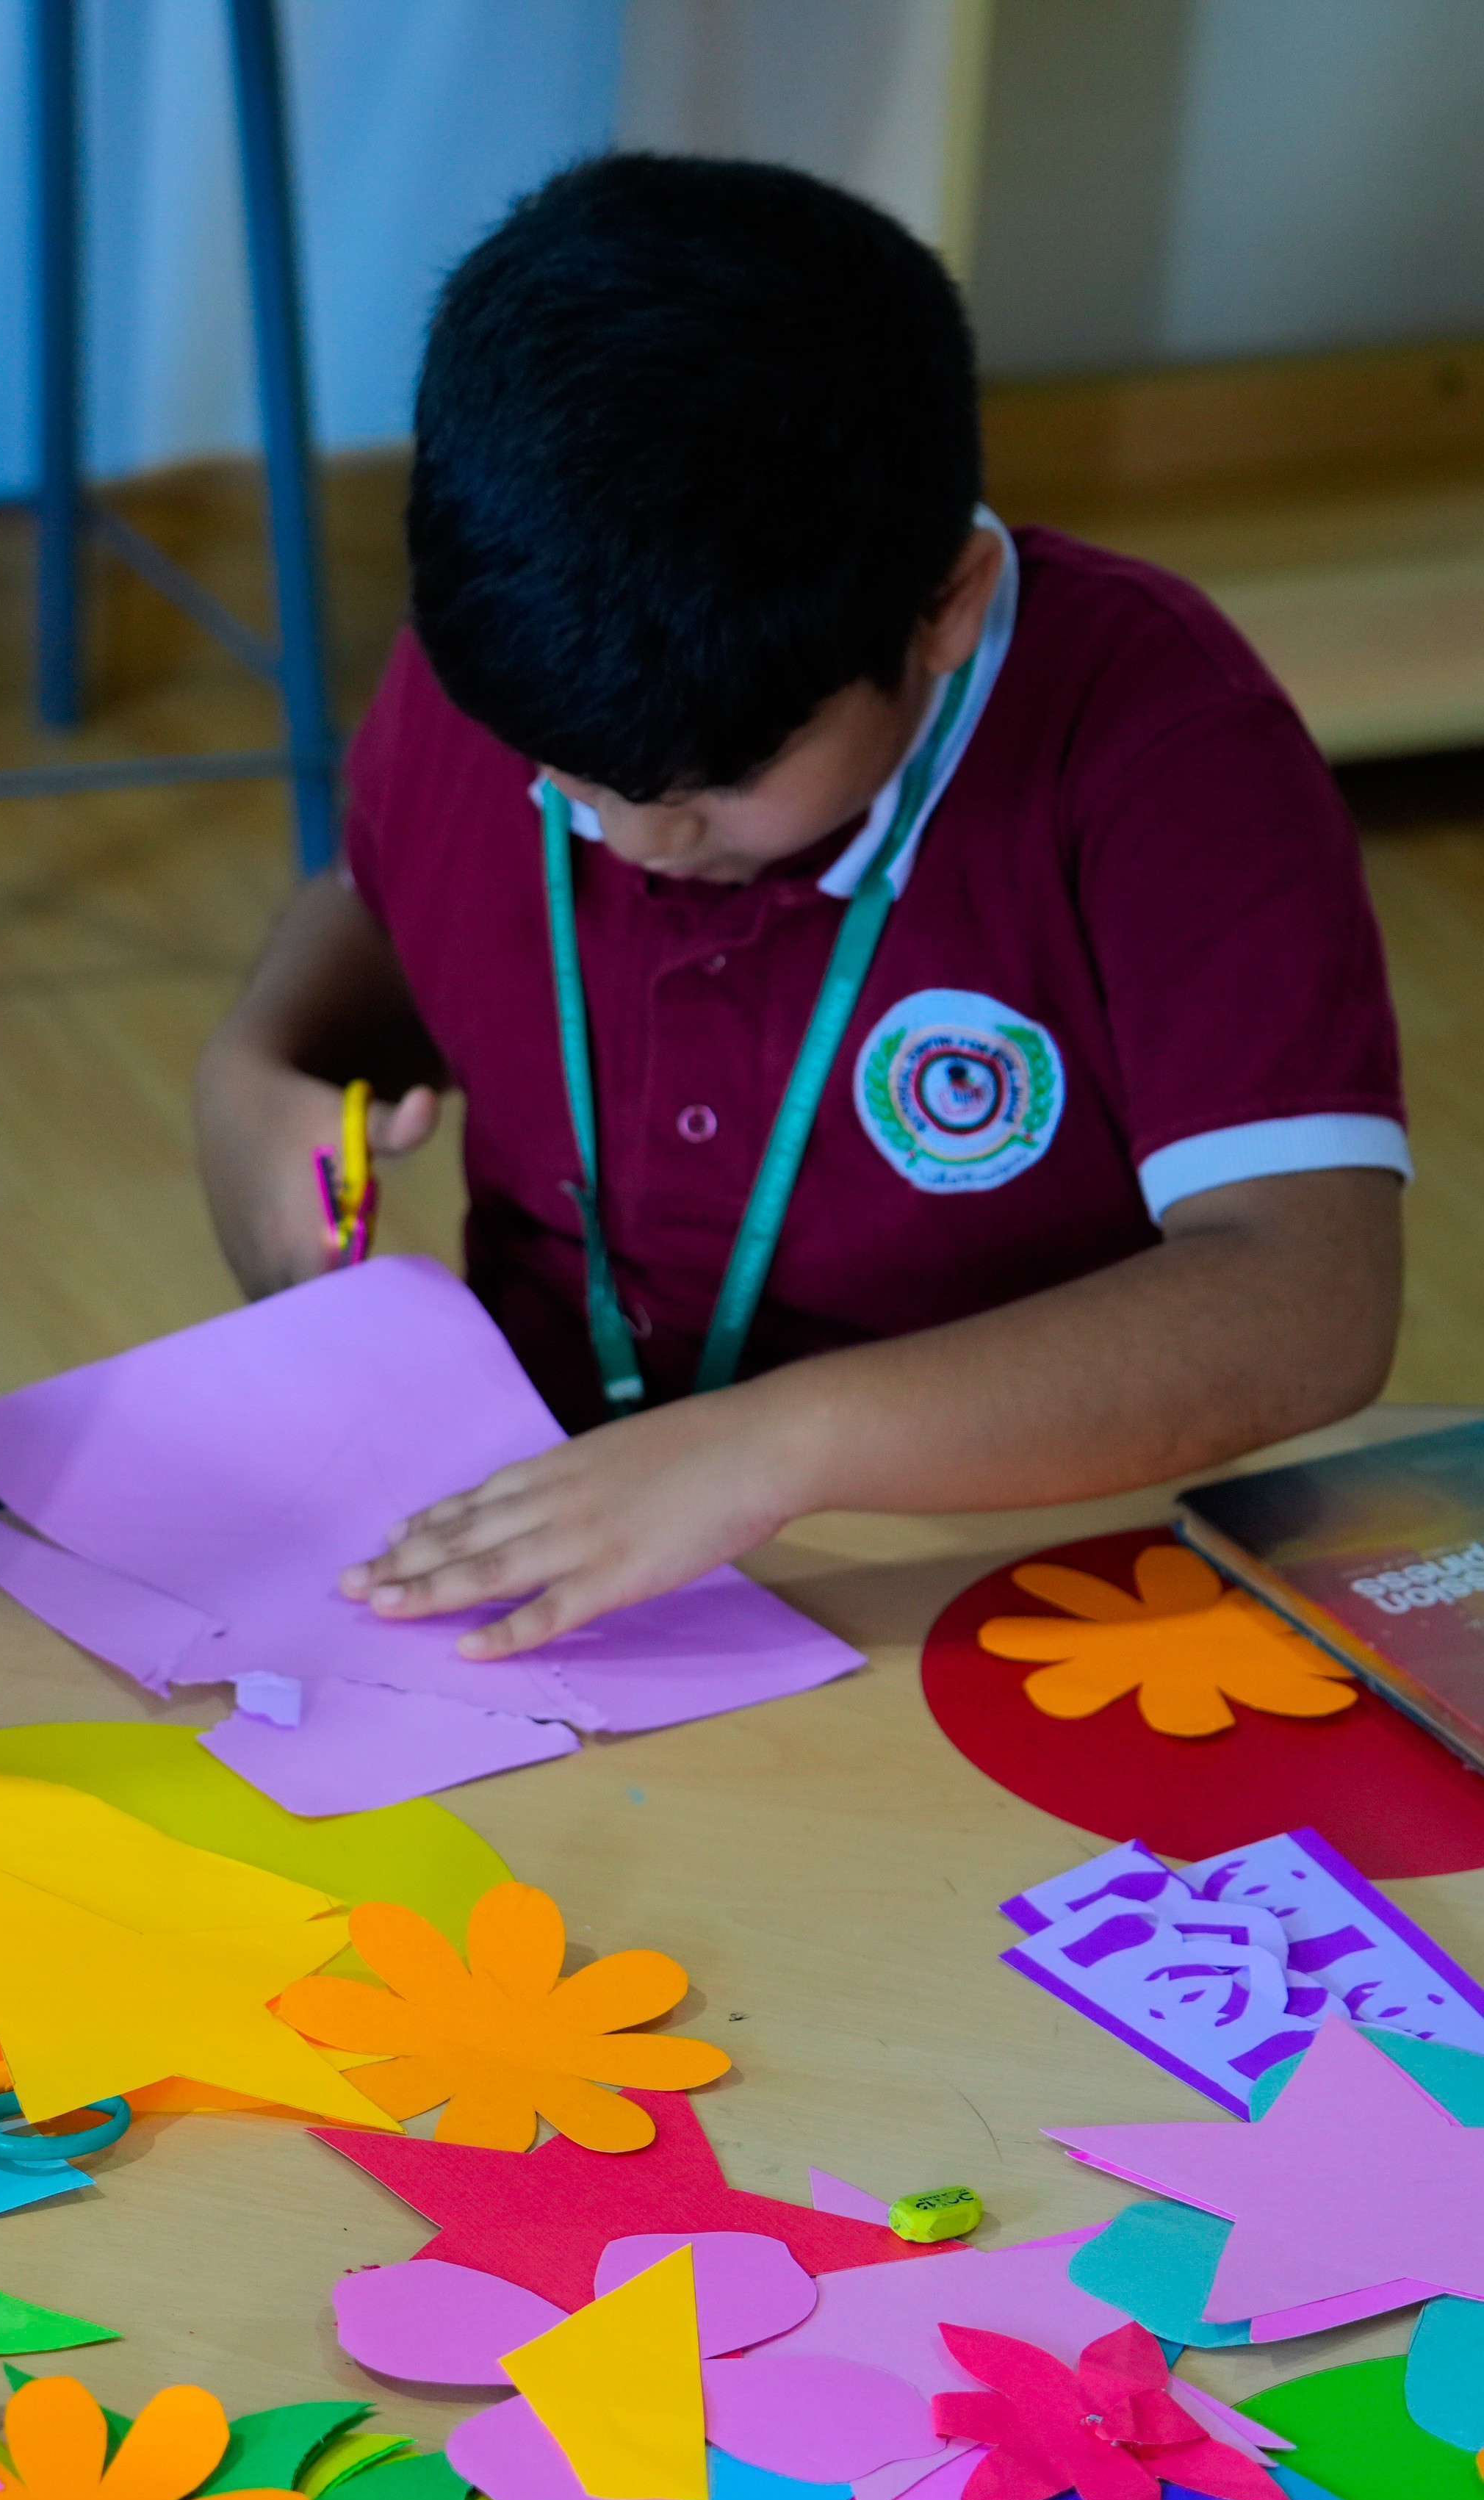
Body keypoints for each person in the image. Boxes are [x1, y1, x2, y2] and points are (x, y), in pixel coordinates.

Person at [192, 153, 1403, 1655]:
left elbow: (1308, 1297)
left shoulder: (1161, 744)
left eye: (718, 782)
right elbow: (386, 901)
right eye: (568, 778)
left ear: (944, 604)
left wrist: (771, 1447)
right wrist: (259, 1065)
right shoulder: (518, 662)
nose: (632, 836)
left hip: (1003, 1574)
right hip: (556, 1541)